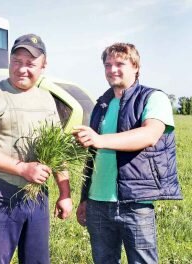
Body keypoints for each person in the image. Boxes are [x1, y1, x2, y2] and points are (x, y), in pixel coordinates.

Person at [0, 34, 72, 264]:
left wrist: (65, 194)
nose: (22, 69)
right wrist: (22, 168)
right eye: (17, 61)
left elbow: (57, 151)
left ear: (43, 66)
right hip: (0, 190)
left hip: (37, 194)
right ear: (9, 61)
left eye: (31, 63)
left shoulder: (46, 100)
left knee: (37, 260)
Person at [73, 42, 182, 263]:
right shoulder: (101, 105)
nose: (112, 69)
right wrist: (84, 198)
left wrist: (100, 139)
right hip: (98, 203)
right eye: (107, 65)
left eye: (119, 63)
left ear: (135, 67)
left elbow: (149, 135)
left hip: (135, 203)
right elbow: (92, 157)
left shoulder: (153, 98)